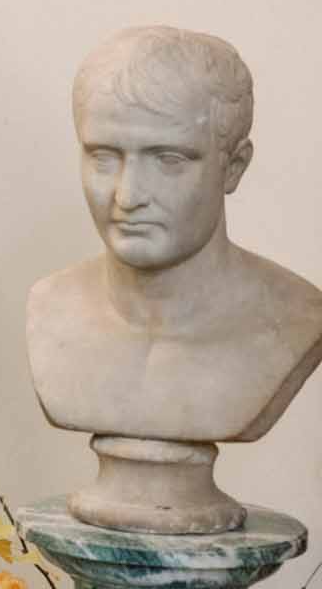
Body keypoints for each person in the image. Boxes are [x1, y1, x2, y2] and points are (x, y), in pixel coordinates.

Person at [28, 24, 322, 442]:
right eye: (104, 156)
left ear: (233, 167)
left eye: (168, 160)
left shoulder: (296, 317)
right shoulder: (49, 308)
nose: (128, 196)